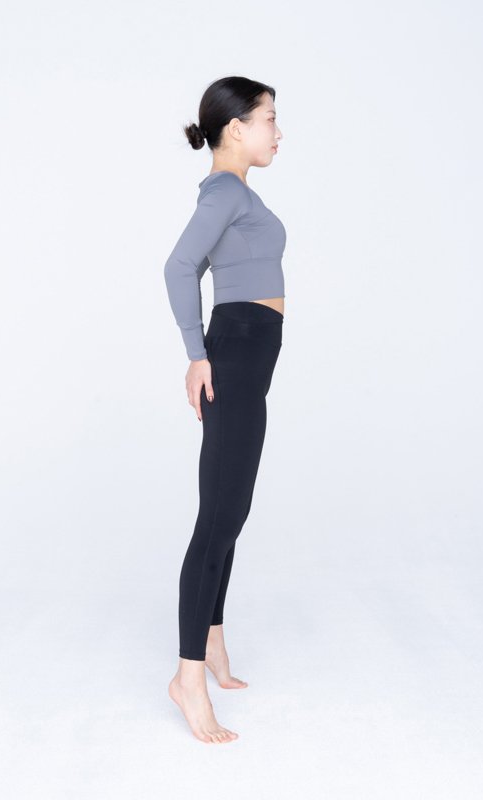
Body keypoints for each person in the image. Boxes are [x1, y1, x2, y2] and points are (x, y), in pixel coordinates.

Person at [162, 76, 285, 744]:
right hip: (233, 357)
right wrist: (197, 354)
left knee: (231, 510)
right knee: (218, 517)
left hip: (249, 358)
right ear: (235, 127)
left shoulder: (236, 194)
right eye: (269, 118)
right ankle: (187, 679)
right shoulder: (226, 193)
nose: (277, 132)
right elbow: (179, 267)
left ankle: (211, 640)